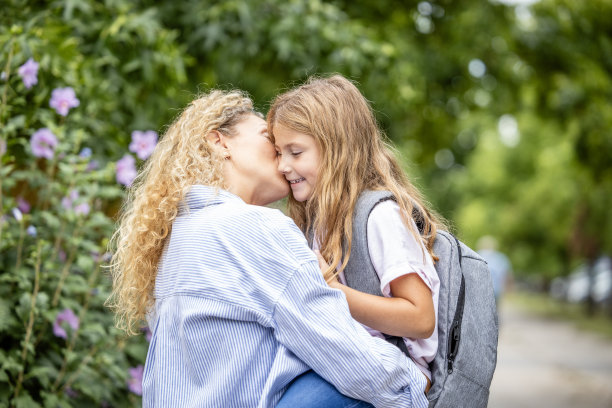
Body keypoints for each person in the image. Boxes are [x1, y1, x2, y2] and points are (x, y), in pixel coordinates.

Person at [107, 90, 429, 407]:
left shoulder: (176, 236)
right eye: (267, 137)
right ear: (220, 142)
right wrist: (414, 382)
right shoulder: (255, 227)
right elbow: (340, 351)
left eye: (292, 150)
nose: (280, 155)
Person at [268, 75, 446, 394]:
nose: (282, 165)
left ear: (337, 149)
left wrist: (331, 291)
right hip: (351, 358)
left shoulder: (380, 217)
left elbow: (420, 318)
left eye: (295, 152)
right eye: (278, 152)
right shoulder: (318, 218)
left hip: (397, 369)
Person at [477, 235, 512, 304]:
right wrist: (508, 289)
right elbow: (507, 275)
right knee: (493, 310)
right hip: (496, 290)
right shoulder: (501, 258)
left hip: (479, 290)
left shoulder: (475, 255)